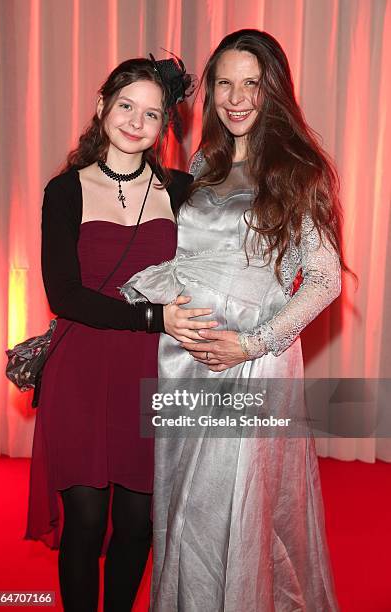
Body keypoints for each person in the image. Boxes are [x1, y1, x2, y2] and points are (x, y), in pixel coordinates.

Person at [122, 30, 347, 611]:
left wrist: (249, 345)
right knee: (180, 510)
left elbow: (322, 281)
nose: (237, 97)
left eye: (252, 82)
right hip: (182, 363)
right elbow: (182, 256)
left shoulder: (299, 171)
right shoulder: (204, 163)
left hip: (250, 366)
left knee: (228, 509)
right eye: (225, 82)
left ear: (274, 91)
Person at [24, 56, 218, 612]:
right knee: (86, 520)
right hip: (81, 367)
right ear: (103, 105)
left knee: (138, 522)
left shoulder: (181, 191)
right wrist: (154, 317)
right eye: (126, 105)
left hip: (152, 372)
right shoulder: (65, 191)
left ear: (165, 128)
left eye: (152, 114)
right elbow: (65, 295)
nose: (136, 122)